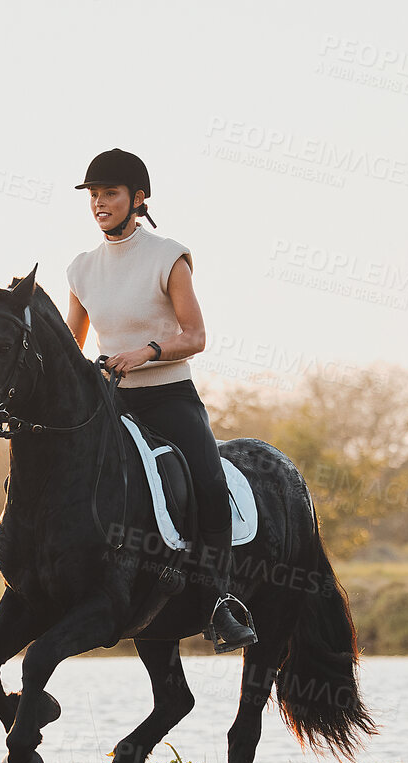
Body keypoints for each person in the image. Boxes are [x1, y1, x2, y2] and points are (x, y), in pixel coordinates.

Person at [63, 148, 257, 653]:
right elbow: (71, 348)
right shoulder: (81, 269)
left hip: (169, 398)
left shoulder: (169, 256)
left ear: (138, 199)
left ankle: (219, 601)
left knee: (211, 483)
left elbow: (195, 336)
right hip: (114, 404)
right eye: (94, 196)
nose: (100, 204)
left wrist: (145, 352)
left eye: (110, 194)